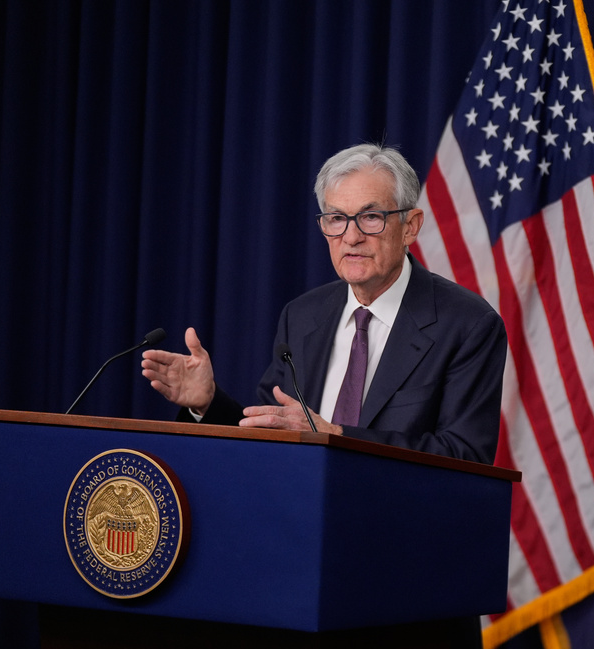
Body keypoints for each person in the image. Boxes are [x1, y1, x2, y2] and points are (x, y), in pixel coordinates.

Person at [141, 142, 508, 466]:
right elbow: (272, 436)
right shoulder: (302, 315)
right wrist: (208, 403)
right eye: (336, 219)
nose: (351, 236)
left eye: (370, 217)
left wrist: (336, 436)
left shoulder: (467, 324)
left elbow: (464, 455)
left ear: (410, 226)